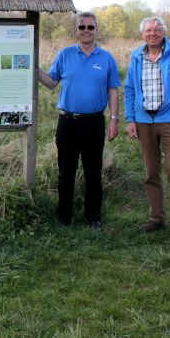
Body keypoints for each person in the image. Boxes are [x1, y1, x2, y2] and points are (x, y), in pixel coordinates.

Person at [38, 12, 120, 228]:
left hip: (94, 124)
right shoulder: (64, 55)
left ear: (96, 30)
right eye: (82, 27)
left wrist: (114, 119)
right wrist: (34, 68)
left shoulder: (106, 58)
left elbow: (113, 90)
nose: (86, 31)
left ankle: (93, 217)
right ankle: (64, 217)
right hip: (68, 123)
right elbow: (51, 82)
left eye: (90, 27)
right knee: (66, 172)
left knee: (93, 172)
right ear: (76, 30)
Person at [125, 16, 170, 243]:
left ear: (164, 32)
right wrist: (130, 119)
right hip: (144, 122)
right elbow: (130, 90)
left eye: (156, 29)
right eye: (148, 30)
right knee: (150, 172)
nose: (152, 33)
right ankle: (156, 217)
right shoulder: (136, 56)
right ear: (143, 34)